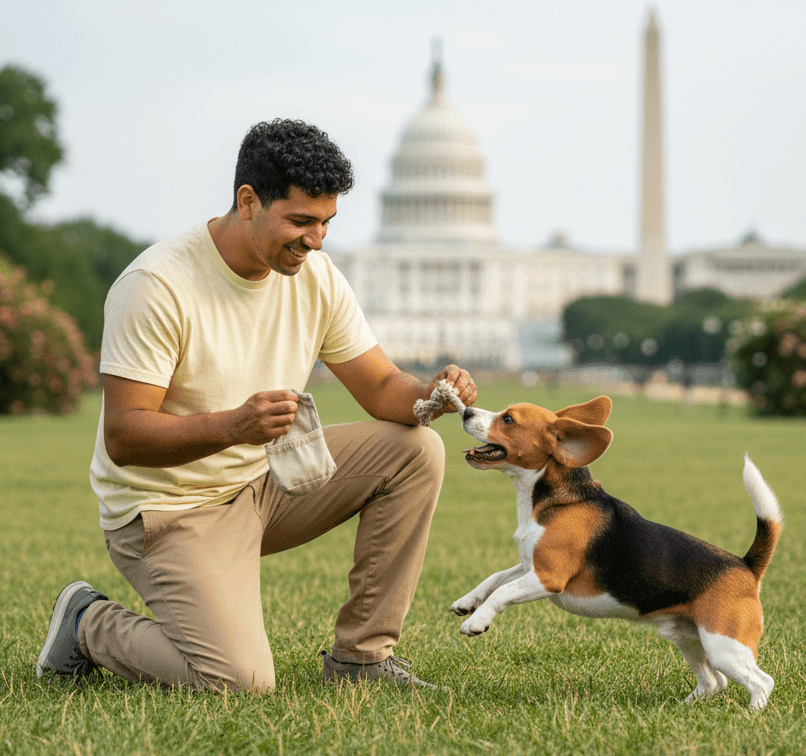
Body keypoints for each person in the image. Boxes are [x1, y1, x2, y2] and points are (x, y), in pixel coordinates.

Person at [35, 119, 477, 692]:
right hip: (169, 511)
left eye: (326, 223)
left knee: (416, 449)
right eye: (300, 221)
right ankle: (87, 622)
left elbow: (380, 387)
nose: (316, 240)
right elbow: (124, 436)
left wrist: (430, 394)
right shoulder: (157, 284)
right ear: (248, 202)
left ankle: (361, 660)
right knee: (240, 682)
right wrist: (236, 426)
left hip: (265, 486)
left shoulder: (314, 277)